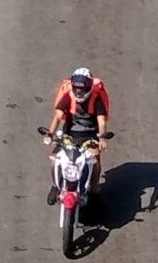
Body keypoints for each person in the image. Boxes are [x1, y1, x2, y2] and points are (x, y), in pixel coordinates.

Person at [43, 65, 111, 203]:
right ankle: (55, 186)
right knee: (55, 159)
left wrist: (102, 138)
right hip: (69, 135)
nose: (79, 92)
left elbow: (101, 121)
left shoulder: (96, 100)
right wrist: (50, 134)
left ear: (88, 87)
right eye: (77, 88)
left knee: (95, 160)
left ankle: (94, 186)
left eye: (82, 89)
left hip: (90, 136)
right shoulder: (68, 97)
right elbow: (57, 117)